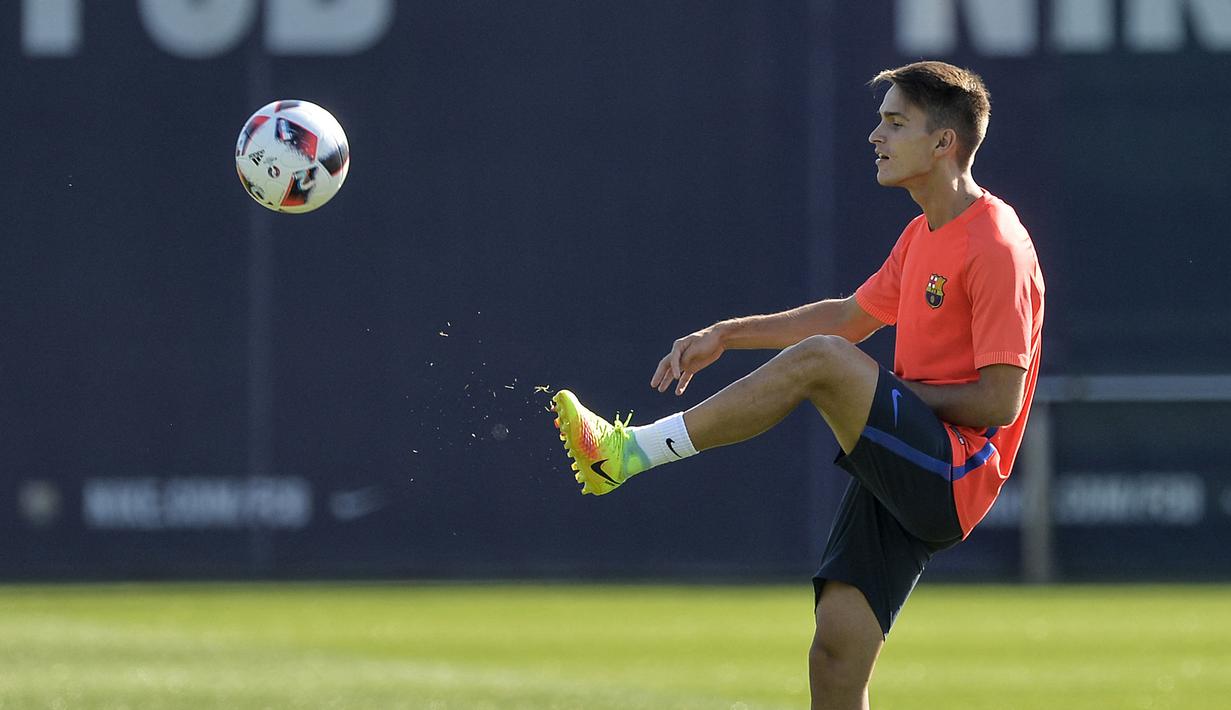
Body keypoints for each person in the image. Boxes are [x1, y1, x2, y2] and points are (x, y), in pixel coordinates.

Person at [550, 60, 1044, 709]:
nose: (875, 135)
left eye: (894, 123)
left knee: (824, 362)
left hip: (956, 471)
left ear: (942, 143)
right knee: (835, 653)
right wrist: (725, 334)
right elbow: (848, 317)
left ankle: (629, 453)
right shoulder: (921, 233)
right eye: (879, 120)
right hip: (908, 455)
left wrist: (878, 398)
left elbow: (999, 403)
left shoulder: (996, 246)